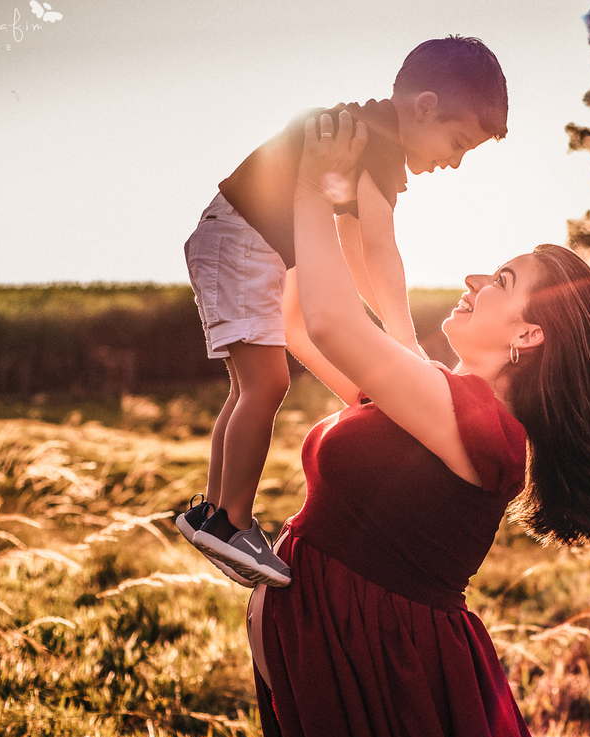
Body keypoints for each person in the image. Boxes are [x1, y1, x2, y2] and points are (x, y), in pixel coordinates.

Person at [246, 111, 590, 737]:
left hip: (376, 663)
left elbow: (332, 320)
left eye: (503, 282)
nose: (477, 276)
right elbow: (298, 326)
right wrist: (332, 201)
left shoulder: (485, 426)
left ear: (530, 334)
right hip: (337, 652)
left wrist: (313, 183)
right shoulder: (439, 396)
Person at [176, 37, 509, 588]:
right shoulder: (376, 145)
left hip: (236, 239)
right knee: (264, 385)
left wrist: (386, 339)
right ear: (423, 107)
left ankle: (212, 515)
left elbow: (354, 247)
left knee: (247, 388)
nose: (454, 160)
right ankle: (230, 521)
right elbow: (379, 249)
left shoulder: (367, 136)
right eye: (457, 142)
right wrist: (407, 345)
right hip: (241, 242)